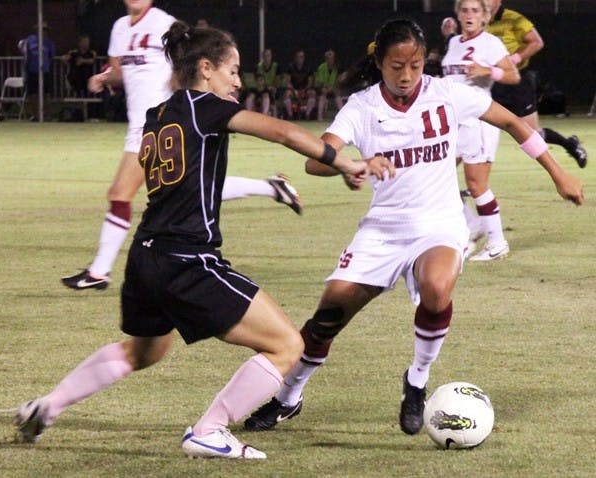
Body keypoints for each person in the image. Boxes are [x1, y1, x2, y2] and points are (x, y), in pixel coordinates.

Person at [14, 21, 367, 459]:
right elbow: (282, 131)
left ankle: (47, 406)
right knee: (287, 346)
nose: (239, 80)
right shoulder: (206, 108)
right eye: (233, 70)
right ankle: (210, 429)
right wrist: (344, 163)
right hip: (187, 259)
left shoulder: (158, 115)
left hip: (146, 255)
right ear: (205, 69)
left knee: (142, 353)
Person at [243, 18, 583, 436]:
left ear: (425, 62)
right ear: (379, 63)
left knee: (437, 288)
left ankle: (417, 381)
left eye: (416, 65)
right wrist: (354, 165)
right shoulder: (363, 106)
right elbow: (316, 160)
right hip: (383, 229)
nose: (406, 76)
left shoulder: (447, 94)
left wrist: (558, 174)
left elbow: (514, 123)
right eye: (395, 67)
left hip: (439, 223)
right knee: (329, 315)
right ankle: (288, 397)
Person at [61, 0, 302, 291]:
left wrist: (211, 96)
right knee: (189, 188)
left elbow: (192, 64)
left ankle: (99, 272)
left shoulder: (163, 23)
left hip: (167, 122)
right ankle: (272, 188)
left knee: (121, 194)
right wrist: (103, 78)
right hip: (142, 123)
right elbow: (121, 71)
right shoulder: (120, 28)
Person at [441, 0, 520, 261]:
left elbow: (513, 76)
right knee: (437, 175)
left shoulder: (491, 43)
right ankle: (474, 226)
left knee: (476, 184)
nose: (469, 15)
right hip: (454, 122)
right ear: (458, 14)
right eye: (464, 10)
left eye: (475, 10)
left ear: (485, 16)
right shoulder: (454, 43)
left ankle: (497, 243)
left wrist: (489, 70)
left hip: (480, 120)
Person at [486, 0, 587, 169]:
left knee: (533, 134)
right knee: (480, 130)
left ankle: (570, 144)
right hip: (492, 83)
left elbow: (537, 42)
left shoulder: (514, 18)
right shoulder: (479, 21)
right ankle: (476, 186)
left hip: (517, 82)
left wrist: (515, 58)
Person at [18, 21, 56, 120]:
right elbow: (22, 47)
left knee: (47, 94)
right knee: (33, 94)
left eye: (45, 30)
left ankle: (47, 115)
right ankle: (35, 115)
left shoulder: (48, 42)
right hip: (32, 71)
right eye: (41, 29)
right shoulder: (30, 40)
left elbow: (51, 55)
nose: (43, 32)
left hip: (45, 71)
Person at [282, 49, 316, 120]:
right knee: (286, 94)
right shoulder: (290, 67)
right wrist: (294, 91)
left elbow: (310, 82)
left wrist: (304, 90)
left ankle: (307, 114)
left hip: (305, 89)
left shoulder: (308, 67)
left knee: (313, 93)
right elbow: (287, 81)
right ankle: (290, 115)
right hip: (293, 89)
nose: (300, 58)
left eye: (302, 57)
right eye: (298, 57)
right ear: (295, 58)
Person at [314, 49, 344, 121]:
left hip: (334, 88)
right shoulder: (321, 67)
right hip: (323, 88)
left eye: (332, 58)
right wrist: (326, 87)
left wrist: (333, 87)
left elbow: (339, 81)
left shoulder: (338, 67)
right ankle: (319, 116)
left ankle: (343, 116)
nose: (330, 60)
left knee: (337, 92)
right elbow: (319, 82)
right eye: (328, 58)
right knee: (323, 92)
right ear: (325, 59)